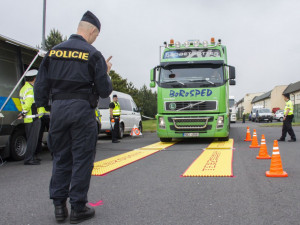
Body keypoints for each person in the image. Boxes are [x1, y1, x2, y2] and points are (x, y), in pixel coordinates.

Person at [34, 11, 113, 223]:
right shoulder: (93, 54)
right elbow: (104, 90)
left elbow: (40, 86)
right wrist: (105, 72)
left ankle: (59, 207)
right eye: (96, 35)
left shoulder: (53, 52)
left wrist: (45, 109)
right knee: (82, 159)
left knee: (60, 157)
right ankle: (78, 207)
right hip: (82, 111)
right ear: (92, 30)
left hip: (58, 110)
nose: (95, 39)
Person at [19, 69, 43, 165]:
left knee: (31, 139)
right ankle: (29, 159)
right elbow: (28, 103)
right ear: (34, 78)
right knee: (33, 140)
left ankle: (31, 157)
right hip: (33, 117)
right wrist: (23, 113)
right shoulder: (30, 89)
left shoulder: (25, 88)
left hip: (29, 118)